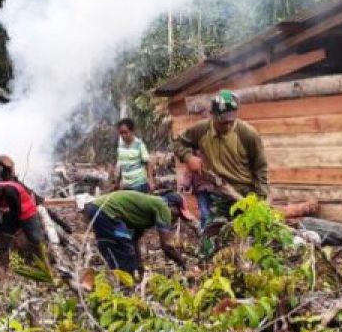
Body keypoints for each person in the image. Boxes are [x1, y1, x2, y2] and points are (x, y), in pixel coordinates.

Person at [172, 90, 269, 229]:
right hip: (218, 192)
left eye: (231, 121)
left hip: (244, 193)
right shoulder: (202, 129)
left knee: (247, 235)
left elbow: (261, 167)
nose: (228, 125)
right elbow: (178, 143)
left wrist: (261, 199)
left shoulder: (247, 134)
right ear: (213, 115)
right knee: (213, 233)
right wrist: (188, 157)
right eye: (223, 122)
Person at [79, 190, 194, 277]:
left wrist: (140, 268)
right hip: (105, 211)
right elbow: (166, 246)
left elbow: (134, 241)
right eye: (177, 214)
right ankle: (127, 289)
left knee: (114, 250)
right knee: (124, 252)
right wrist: (184, 265)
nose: (176, 218)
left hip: (96, 209)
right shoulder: (162, 206)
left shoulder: (143, 214)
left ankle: (120, 284)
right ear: (171, 206)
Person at [0, 177, 47, 265]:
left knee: (36, 239)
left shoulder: (10, 192)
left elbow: (15, 216)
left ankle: (45, 262)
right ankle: (4, 265)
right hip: (12, 210)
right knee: (3, 241)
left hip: (27, 211)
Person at [113, 118, 155, 193]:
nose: (123, 135)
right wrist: (117, 182)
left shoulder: (139, 145)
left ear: (132, 131)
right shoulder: (120, 147)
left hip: (139, 184)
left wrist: (151, 181)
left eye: (126, 132)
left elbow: (148, 163)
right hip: (126, 185)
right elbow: (121, 165)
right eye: (121, 133)